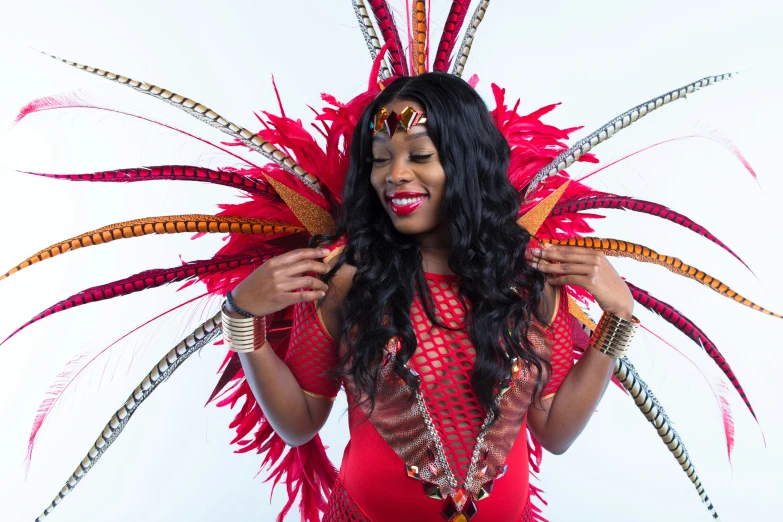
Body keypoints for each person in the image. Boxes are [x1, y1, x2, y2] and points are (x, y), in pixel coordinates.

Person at [222, 73, 639, 521]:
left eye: (419, 155)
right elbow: (299, 423)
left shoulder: (527, 282)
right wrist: (242, 316)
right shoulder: (346, 279)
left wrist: (618, 317)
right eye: (380, 160)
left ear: (466, 162)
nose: (395, 175)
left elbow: (555, 432)